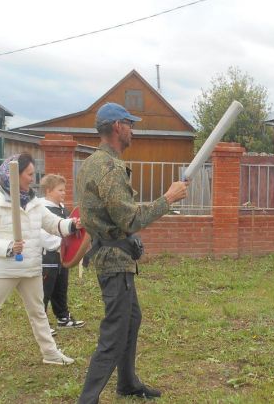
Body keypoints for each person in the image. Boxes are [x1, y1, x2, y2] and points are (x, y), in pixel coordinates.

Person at [76, 103, 188, 403]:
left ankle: (126, 382)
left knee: (132, 318)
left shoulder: (93, 163)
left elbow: (111, 217)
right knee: (115, 331)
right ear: (116, 127)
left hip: (114, 258)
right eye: (130, 124)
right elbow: (130, 219)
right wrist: (168, 198)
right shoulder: (109, 168)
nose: (133, 130)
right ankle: (87, 399)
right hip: (113, 261)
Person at [0, 153, 79, 386]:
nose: (32, 179)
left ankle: (50, 354)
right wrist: (7, 247)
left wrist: (72, 225)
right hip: (1, 271)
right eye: (28, 174)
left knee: (38, 314)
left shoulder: (34, 203)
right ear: (13, 175)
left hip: (30, 269)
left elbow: (54, 225)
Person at [39, 174, 85, 335]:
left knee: (61, 288)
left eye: (64, 190)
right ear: (48, 190)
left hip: (62, 257)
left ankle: (63, 317)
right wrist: (60, 245)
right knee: (45, 291)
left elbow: (69, 230)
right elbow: (43, 235)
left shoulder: (62, 209)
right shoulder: (41, 209)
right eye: (60, 190)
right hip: (47, 257)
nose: (64, 193)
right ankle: (41, 323)